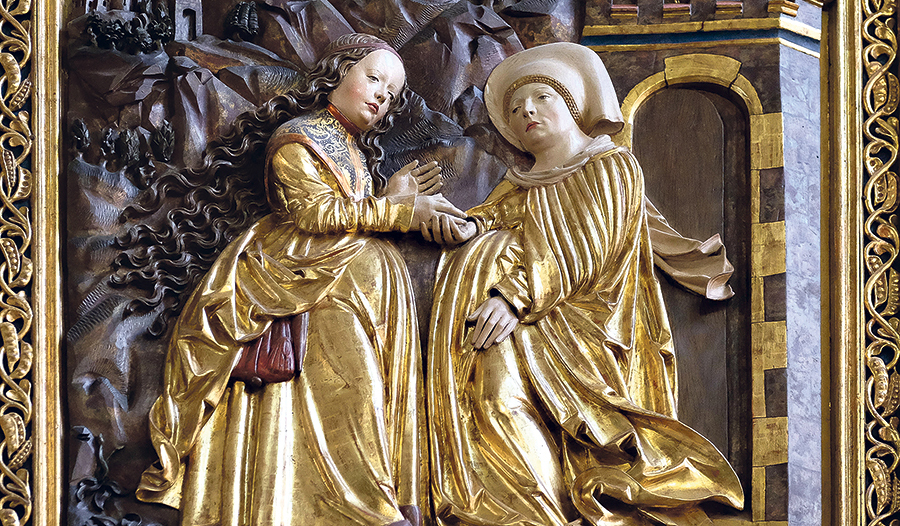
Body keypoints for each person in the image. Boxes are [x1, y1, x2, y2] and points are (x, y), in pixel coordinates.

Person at [129, 33, 465, 526]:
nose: (380, 96)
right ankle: (365, 506)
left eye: (390, 94)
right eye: (373, 78)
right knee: (354, 382)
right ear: (338, 74)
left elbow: (353, 215)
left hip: (332, 278)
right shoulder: (298, 137)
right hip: (289, 279)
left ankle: (373, 497)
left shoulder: (354, 154)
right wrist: (398, 210)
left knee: (367, 383)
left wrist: (392, 198)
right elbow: (314, 213)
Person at [423, 42, 744, 526]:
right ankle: (533, 516)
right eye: (514, 108)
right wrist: (439, 220)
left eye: (540, 98)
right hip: (518, 320)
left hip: (584, 326)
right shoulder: (518, 185)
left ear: (572, 103)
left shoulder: (609, 166)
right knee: (492, 403)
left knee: (584, 435)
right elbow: (484, 223)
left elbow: (590, 245)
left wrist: (517, 295)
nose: (526, 110)